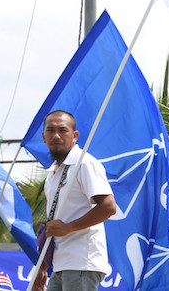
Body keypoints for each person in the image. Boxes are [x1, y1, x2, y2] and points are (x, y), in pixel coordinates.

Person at [32, 110, 117, 291]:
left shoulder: (84, 163)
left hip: (81, 262)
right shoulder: (53, 172)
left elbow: (108, 207)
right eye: (51, 130)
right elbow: (55, 221)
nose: (56, 135)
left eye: (63, 130)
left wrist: (68, 227)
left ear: (74, 136)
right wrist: (43, 264)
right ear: (44, 137)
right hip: (62, 263)